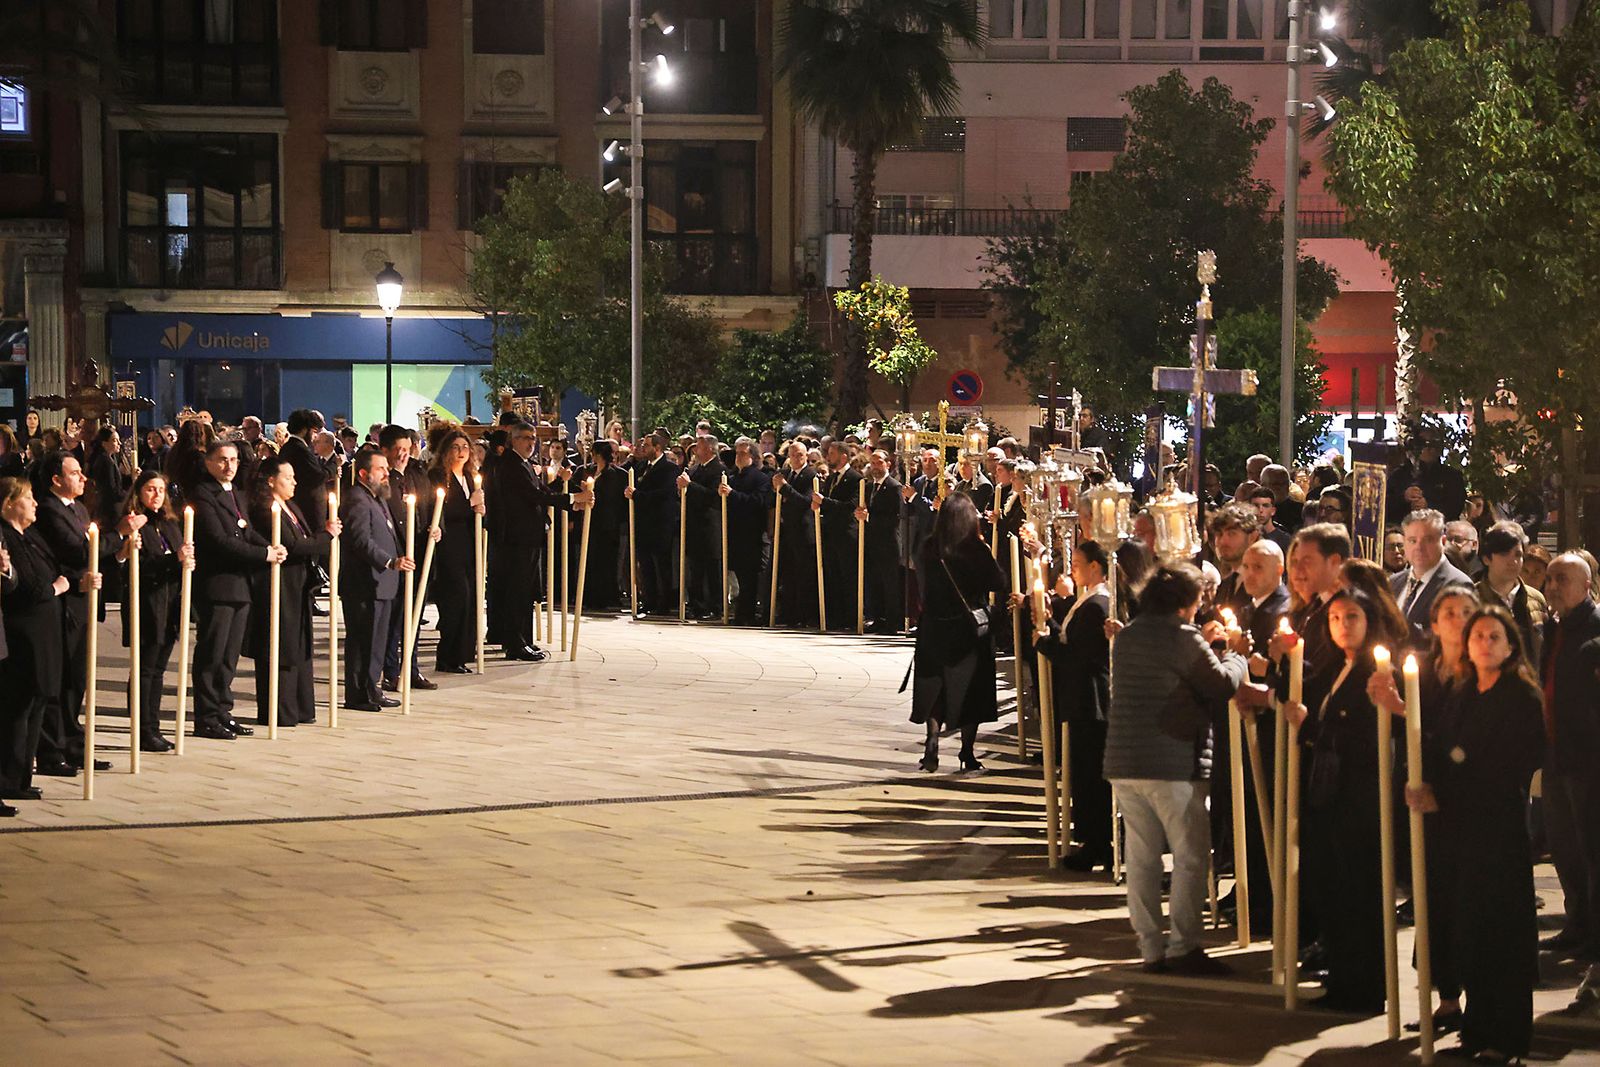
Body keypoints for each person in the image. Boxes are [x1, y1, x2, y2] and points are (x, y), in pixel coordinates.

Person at [1377, 604, 1543, 1060]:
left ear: (1511, 647)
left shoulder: (1520, 696)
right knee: (1470, 931)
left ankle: (1506, 1037)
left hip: (1497, 831)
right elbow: (1440, 741)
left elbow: (1505, 763)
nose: (1485, 644)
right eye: (1478, 636)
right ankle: (1477, 1030)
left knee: (1500, 935)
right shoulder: (1465, 692)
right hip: (1458, 831)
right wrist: (1425, 782)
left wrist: (1445, 791)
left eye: (1494, 637)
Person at [1104, 562, 1260, 975]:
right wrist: (1235, 656)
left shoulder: (1131, 634)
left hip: (1126, 759)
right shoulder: (1182, 636)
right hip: (1172, 760)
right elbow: (1219, 684)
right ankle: (1183, 946)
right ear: (1187, 602)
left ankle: (1150, 947)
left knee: (1142, 857)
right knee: (1190, 855)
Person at [1284, 587, 1389, 1014]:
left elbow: (1364, 736)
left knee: (1357, 892)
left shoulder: (1374, 670)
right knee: (1334, 890)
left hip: (1356, 800)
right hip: (1329, 795)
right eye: (1335, 619)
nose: (1343, 626)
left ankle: (1362, 985)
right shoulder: (1337, 667)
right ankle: (1344, 977)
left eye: (1351, 618)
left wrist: (1311, 727)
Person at [33, 450, 128, 771]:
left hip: (84, 601)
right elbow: (78, 551)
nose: (83, 478)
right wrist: (119, 534)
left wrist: (117, 552)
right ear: (56, 480)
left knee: (77, 677)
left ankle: (73, 743)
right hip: (63, 604)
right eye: (74, 473)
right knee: (60, 679)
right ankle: (51, 749)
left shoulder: (79, 508)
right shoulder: (48, 510)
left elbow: (93, 551)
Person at [190, 440, 281, 740]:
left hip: (240, 585)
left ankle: (223, 711)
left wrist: (268, 546)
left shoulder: (237, 494)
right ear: (208, 462)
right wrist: (262, 555)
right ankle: (206, 716)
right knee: (212, 654)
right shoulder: (203, 494)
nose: (229, 466)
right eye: (222, 460)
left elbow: (246, 531)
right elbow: (220, 540)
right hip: (217, 584)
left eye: (233, 460)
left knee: (229, 656)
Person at [910, 493, 1007, 772]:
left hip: (933, 627)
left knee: (935, 687)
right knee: (970, 691)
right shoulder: (974, 549)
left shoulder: (930, 547)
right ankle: (966, 751)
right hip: (967, 631)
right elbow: (998, 581)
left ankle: (932, 740)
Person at [1034, 540, 1113, 872]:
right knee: (1082, 773)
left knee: (1091, 775)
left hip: (1091, 699)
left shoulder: (1098, 604)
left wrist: (1045, 644)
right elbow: (1072, 642)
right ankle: (1091, 841)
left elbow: (1081, 656)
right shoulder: (1089, 600)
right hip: (1082, 697)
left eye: (1078, 563)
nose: (1073, 569)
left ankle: (1099, 843)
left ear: (1095, 566)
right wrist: (1050, 625)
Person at [1539, 554, 1600, 968]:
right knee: (1564, 845)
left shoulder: (1595, 629)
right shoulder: (1554, 627)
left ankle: (1595, 936)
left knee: (1591, 847)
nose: (1552, 586)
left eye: (1562, 579)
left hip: (1588, 757)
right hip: (1556, 752)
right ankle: (1577, 923)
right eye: (1549, 579)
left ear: (1587, 585)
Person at [245, 456, 338, 727]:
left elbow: (303, 538)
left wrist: (320, 538)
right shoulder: (265, 509)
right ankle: (280, 710)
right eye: (288, 477)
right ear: (271, 480)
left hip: (298, 585)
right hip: (278, 585)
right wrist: (326, 537)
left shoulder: (290, 506)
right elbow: (293, 544)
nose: (294, 482)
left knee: (297, 644)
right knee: (280, 644)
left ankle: (301, 707)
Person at [0, 478, 72, 809]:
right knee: (17, 707)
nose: (35, 504)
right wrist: (55, 588)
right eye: (28, 498)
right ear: (9, 504)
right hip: (23, 633)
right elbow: (30, 587)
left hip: (43, 632)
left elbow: (52, 570)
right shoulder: (6, 537)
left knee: (36, 704)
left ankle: (21, 777)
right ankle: (8, 777)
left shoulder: (29, 537)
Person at [340, 448, 424, 711]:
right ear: (364, 473)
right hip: (365, 583)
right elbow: (360, 540)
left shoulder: (377, 499)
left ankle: (371, 688)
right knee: (363, 641)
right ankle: (358, 694)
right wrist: (390, 561)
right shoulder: (357, 499)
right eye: (381, 469)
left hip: (383, 583)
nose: (387, 473)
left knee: (377, 640)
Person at [116, 470, 192, 752]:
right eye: (150, 489)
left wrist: (185, 562)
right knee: (145, 668)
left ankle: (154, 726)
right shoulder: (136, 524)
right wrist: (175, 562)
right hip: (146, 603)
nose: (156, 495)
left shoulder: (169, 523)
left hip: (169, 602)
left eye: (160, 490)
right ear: (139, 492)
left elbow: (176, 557)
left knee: (159, 669)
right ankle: (142, 728)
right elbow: (141, 568)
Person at [488, 422, 573, 660]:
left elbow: (541, 490)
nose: (530, 442)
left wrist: (564, 492)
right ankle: (515, 643)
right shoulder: (510, 465)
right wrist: (573, 497)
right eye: (525, 438)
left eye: (533, 438)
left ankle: (524, 638)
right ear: (513, 440)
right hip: (516, 539)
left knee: (526, 590)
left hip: (528, 537)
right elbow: (533, 495)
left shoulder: (523, 464)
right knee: (517, 591)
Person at [377, 424, 438, 688]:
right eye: (398, 450)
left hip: (419, 553)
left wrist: (436, 529)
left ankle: (411, 668)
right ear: (385, 451)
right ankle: (391, 671)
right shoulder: (381, 479)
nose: (403, 454)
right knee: (393, 619)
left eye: (407, 448)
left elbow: (431, 506)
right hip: (395, 557)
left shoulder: (417, 473)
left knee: (414, 614)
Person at [426, 428, 484, 674]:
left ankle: (462, 653)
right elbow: (439, 511)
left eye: (465, 447)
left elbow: (475, 510)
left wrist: (481, 509)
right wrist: (470, 504)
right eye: (455, 447)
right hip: (449, 544)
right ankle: (447, 655)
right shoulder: (438, 476)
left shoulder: (470, 477)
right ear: (446, 451)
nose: (461, 452)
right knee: (455, 599)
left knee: (470, 598)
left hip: (468, 544)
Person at [1391, 509, 1474, 647]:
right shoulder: (1394, 582)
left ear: (1443, 541)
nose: (1419, 547)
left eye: (1428, 540)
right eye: (1412, 540)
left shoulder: (1459, 585)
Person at [625, 431, 681, 619]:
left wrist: (637, 495)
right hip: (643, 524)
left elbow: (664, 495)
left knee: (661, 566)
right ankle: (648, 600)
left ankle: (663, 602)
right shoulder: (641, 466)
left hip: (660, 524)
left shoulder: (669, 469)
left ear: (657, 448)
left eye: (647, 445)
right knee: (645, 565)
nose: (643, 448)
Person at [1476, 522, 1547, 664]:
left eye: (1518, 554)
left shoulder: (1535, 599)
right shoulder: (1472, 599)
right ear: (1486, 558)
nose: (1513, 561)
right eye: (1503, 553)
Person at [676, 436, 728, 620]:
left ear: (710, 450)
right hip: (694, 525)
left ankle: (716, 606)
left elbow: (712, 496)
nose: (696, 450)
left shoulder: (719, 470)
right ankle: (697, 604)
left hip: (709, 525)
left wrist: (690, 485)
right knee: (695, 568)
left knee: (713, 568)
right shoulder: (694, 468)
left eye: (699, 447)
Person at [815, 440, 864, 631]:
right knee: (833, 576)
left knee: (848, 577)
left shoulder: (855, 478)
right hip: (831, 534)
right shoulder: (832, 478)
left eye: (832, 454)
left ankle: (851, 618)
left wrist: (825, 502)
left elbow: (850, 506)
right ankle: (835, 617)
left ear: (844, 456)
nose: (828, 457)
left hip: (846, 535)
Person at [854, 449, 904, 635]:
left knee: (889, 584)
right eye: (873, 463)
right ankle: (877, 618)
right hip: (872, 543)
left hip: (888, 543)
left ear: (888, 464)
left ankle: (892, 622)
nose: (875, 467)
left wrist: (869, 517)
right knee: (874, 583)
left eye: (879, 463)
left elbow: (895, 517)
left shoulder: (894, 487)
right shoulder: (867, 487)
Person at [721, 437, 770, 626]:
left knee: (749, 576)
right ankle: (741, 611)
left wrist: (733, 494)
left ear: (752, 456)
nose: (738, 457)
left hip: (751, 535)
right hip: (735, 533)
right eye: (737, 453)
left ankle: (747, 613)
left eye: (743, 453)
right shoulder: (732, 477)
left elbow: (757, 502)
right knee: (739, 575)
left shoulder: (760, 478)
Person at [772, 441, 821, 628]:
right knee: (788, 575)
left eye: (800, 455)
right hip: (787, 531)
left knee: (804, 576)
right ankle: (788, 613)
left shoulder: (811, 475)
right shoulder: (786, 474)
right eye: (792, 455)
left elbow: (805, 501)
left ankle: (804, 615)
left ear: (806, 456)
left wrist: (785, 489)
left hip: (803, 532)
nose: (796, 458)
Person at [578, 440, 628, 612]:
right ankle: (589, 595)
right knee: (590, 559)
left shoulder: (616, 474)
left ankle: (605, 595)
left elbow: (612, 498)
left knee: (605, 560)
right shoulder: (586, 470)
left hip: (607, 523)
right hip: (589, 522)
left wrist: (592, 491)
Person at [280, 409, 335, 535]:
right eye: (315, 432)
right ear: (305, 430)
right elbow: (317, 477)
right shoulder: (300, 450)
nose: (315, 438)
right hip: (308, 509)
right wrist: (333, 465)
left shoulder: (291, 447)